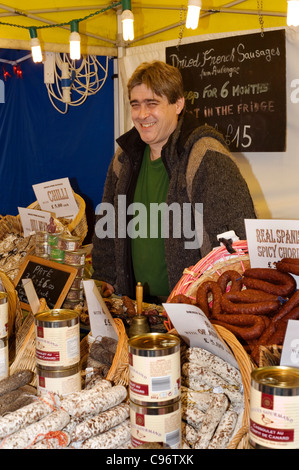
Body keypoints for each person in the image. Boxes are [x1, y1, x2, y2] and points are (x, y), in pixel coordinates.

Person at [91, 60, 256, 302]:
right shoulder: (125, 156)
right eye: (135, 105)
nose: (142, 115)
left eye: (152, 104)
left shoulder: (204, 155)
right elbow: (108, 221)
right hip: (133, 304)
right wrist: (104, 275)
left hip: (190, 307)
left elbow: (235, 245)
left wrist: (212, 303)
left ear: (178, 104)